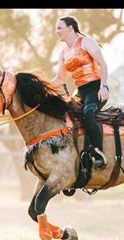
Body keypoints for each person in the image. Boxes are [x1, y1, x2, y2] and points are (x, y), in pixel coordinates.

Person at [51, 15, 109, 169]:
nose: (56, 31)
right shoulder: (63, 53)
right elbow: (59, 79)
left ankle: (99, 154)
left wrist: (104, 87)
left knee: (88, 113)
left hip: (95, 88)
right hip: (81, 91)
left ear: (70, 28)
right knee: (64, 118)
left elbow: (102, 64)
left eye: (59, 28)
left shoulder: (86, 42)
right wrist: (42, 86)